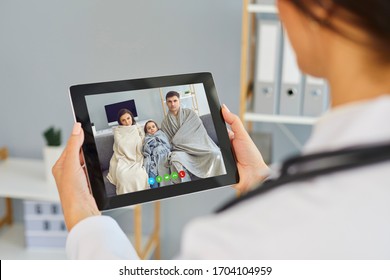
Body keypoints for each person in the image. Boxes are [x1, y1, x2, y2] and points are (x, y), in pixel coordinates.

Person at [53, 0, 390, 259]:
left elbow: (180, 134)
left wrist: (82, 217)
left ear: (319, 8)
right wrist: (261, 183)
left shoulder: (236, 244)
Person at [160, 91, 226, 182]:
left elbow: (199, 132)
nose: (173, 104)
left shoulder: (190, 113)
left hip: (199, 146)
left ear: (179, 101)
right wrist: (178, 142)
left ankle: (220, 180)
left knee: (215, 153)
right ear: (166, 103)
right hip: (182, 151)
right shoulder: (165, 123)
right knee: (175, 158)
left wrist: (179, 139)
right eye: (169, 101)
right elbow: (168, 142)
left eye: (175, 100)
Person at [106, 109, 148, 195]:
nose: (127, 122)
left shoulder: (138, 127)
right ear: (120, 122)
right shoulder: (118, 131)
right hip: (123, 158)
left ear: (132, 118)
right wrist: (130, 144)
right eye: (123, 120)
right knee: (123, 177)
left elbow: (143, 140)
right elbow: (120, 145)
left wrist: (136, 142)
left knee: (140, 174)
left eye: (128, 118)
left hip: (137, 157)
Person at [142, 120, 171, 188]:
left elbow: (167, 145)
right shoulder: (147, 139)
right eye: (149, 128)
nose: (151, 129)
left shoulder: (161, 135)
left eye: (153, 126)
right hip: (153, 160)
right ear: (146, 131)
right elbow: (146, 152)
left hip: (164, 156)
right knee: (152, 177)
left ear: (157, 128)